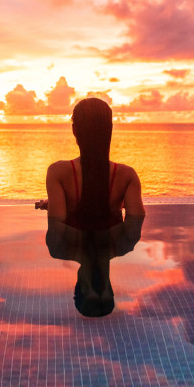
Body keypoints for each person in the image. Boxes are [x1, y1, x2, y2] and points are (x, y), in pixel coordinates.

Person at [35, 97, 145, 317]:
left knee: (61, 245)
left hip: (76, 241)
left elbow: (58, 227)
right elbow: (135, 224)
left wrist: (58, 205)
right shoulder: (126, 175)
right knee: (100, 249)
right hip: (110, 241)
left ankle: (88, 266)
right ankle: (94, 270)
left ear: (75, 130)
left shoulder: (58, 172)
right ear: (109, 129)